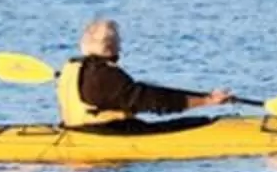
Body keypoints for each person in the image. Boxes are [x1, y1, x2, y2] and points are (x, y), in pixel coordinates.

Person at [55, 18, 235, 127]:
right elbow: (153, 101)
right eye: (119, 41)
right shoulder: (105, 76)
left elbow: (142, 93)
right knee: (195, 124)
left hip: (78, 130)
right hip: (107, 135)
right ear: (111, 46)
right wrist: (207, 101)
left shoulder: (72, 68)